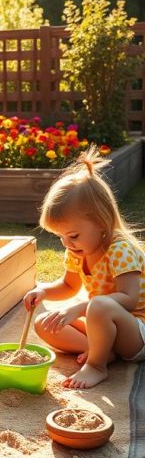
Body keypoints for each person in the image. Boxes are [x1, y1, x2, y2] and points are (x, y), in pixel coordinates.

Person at [23, 145, 145, 389]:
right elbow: (69, 285)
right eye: (61, 237)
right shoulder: (76, 253)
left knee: (99, 304)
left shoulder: (119, 249)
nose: (67, 243)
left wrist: (79, 309)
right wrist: (44, 291)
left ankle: (97, 366)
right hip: (102, 324)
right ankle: (99, 351)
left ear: (101, 222)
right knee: (45, 323)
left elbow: (129, 300)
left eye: (74, 235)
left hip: (136, 332)